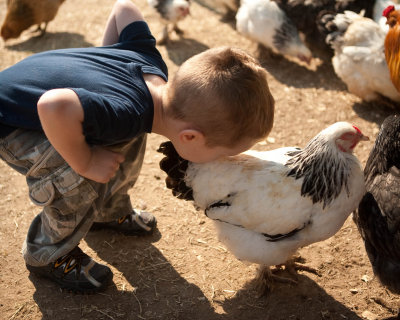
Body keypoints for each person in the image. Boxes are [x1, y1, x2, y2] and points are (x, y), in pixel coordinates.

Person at [0, 0, 275, 294]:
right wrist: (86, 162)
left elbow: (124, 9)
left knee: (123, 137)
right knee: (76, 176)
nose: (221, 161)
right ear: (190, 137)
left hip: (43, 98)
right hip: (13, 122)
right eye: (221, 153)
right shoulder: (125, 111)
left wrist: (104, 56)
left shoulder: (153, 71)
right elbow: (52, 107)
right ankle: (47, 254)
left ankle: (107, 210)